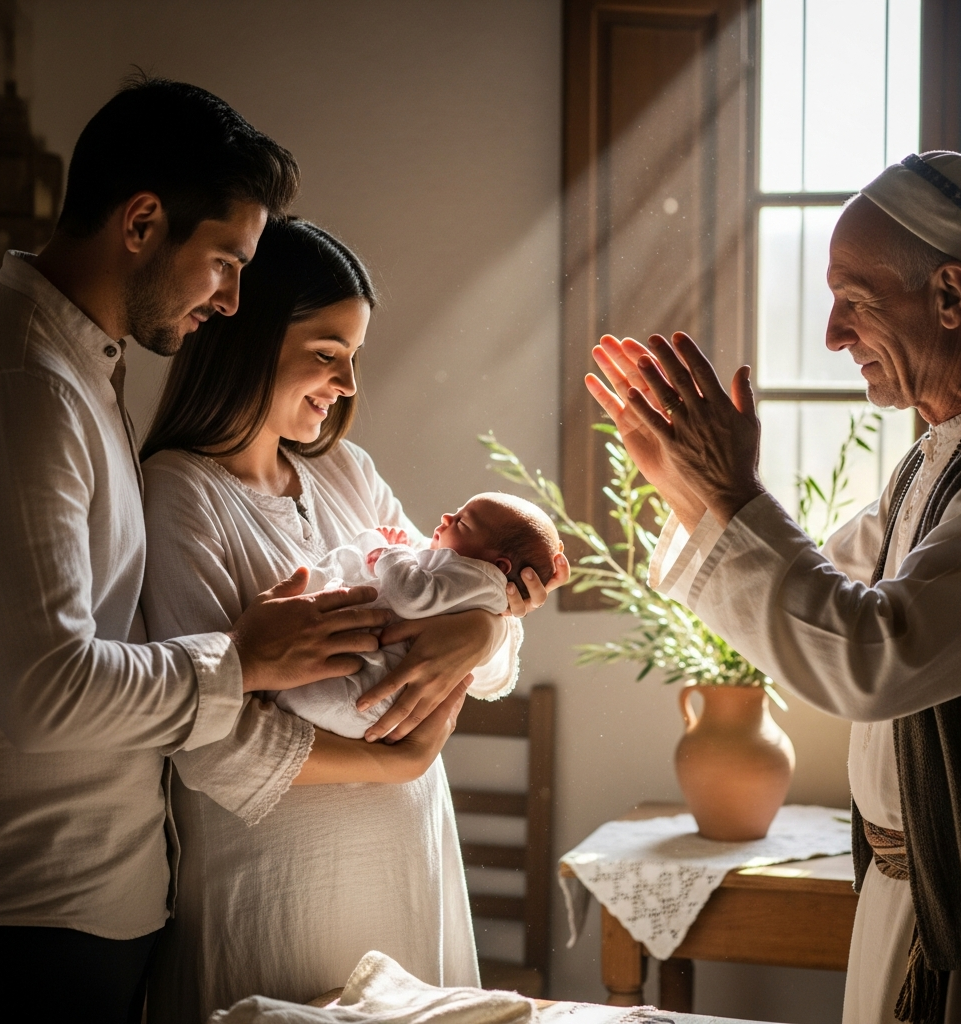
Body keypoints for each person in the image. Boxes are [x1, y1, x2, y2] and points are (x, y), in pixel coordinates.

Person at [0, 77, 393, 1023]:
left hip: (100, 898)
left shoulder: (82, 368)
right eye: (224, 260)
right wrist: (244, 659)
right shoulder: (31, 385)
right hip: (42, 911)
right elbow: (42, 692)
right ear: (141, 222)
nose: (234, 298)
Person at [586, 151, 961, 1024]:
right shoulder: (934, 463)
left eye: (854, 299)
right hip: (911, 896)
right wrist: (692, 490)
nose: (831, 334)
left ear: (949, 296)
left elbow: (871, 657)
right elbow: (818, 598)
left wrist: (733, 497)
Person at [138, 218, 567, 1021]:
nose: (346, 384)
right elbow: (209, 744)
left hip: (407, 862)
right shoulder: (178, 492)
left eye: (354, 359)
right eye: (327, 353)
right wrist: (395, 763)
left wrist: (486, 629)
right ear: (249, 337)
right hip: (281, 885)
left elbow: (470, 624)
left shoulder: (343, 471)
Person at [273, 492, 563, 738]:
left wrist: (394, 552)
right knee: (287, 696)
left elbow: (409, 596)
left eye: (462, 522)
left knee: (283, 697)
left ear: (497, 564)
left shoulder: (474, 576)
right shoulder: (469, 580)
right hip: (370, 697)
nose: (447, 517)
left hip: (364, 694)